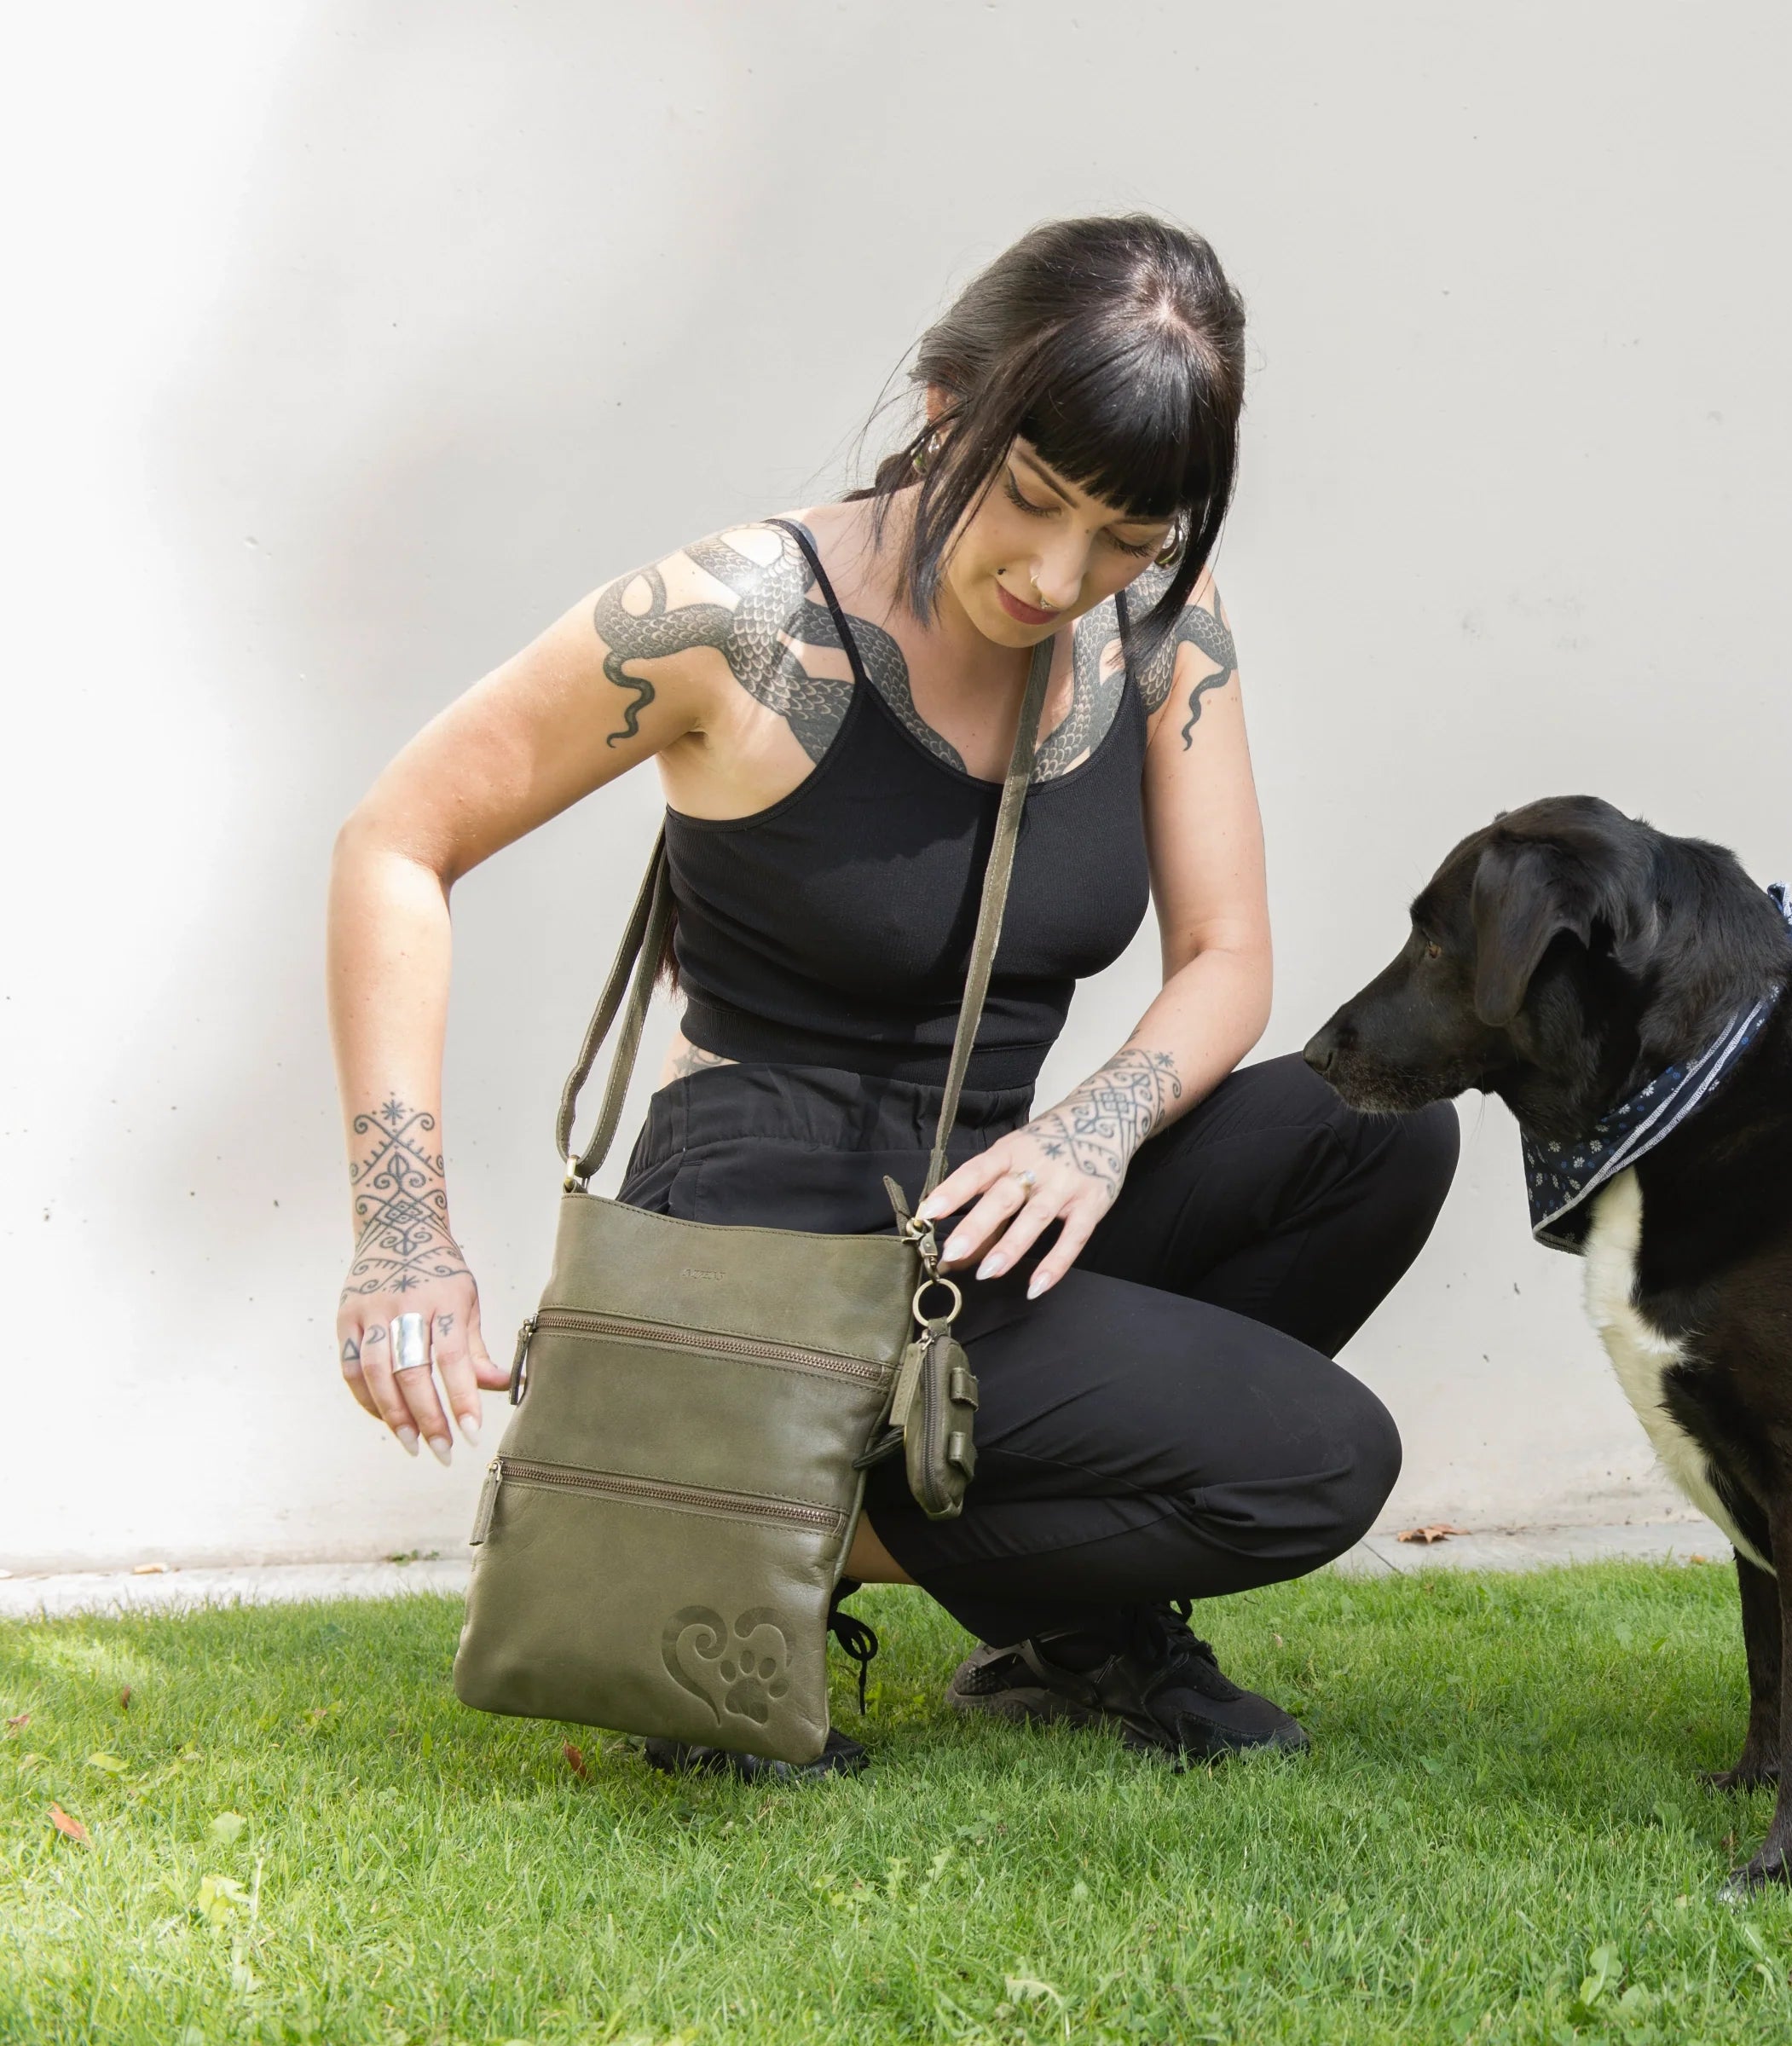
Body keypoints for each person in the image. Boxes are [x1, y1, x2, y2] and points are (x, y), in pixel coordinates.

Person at [326, 215, 1458, 1776]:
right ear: (947, 411)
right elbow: (400, 838)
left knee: (1375, 1133)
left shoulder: (1160, 627)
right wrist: (403, 1235)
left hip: (980, 1206)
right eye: (1032, 500)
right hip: (768, 1227)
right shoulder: (740, 617)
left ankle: (1013, 1604)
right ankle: (717, 1521)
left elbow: (1229, 958)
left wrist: (1094, 1132)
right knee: (1320, 1463)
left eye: (1126, 534)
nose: (1062, 576)